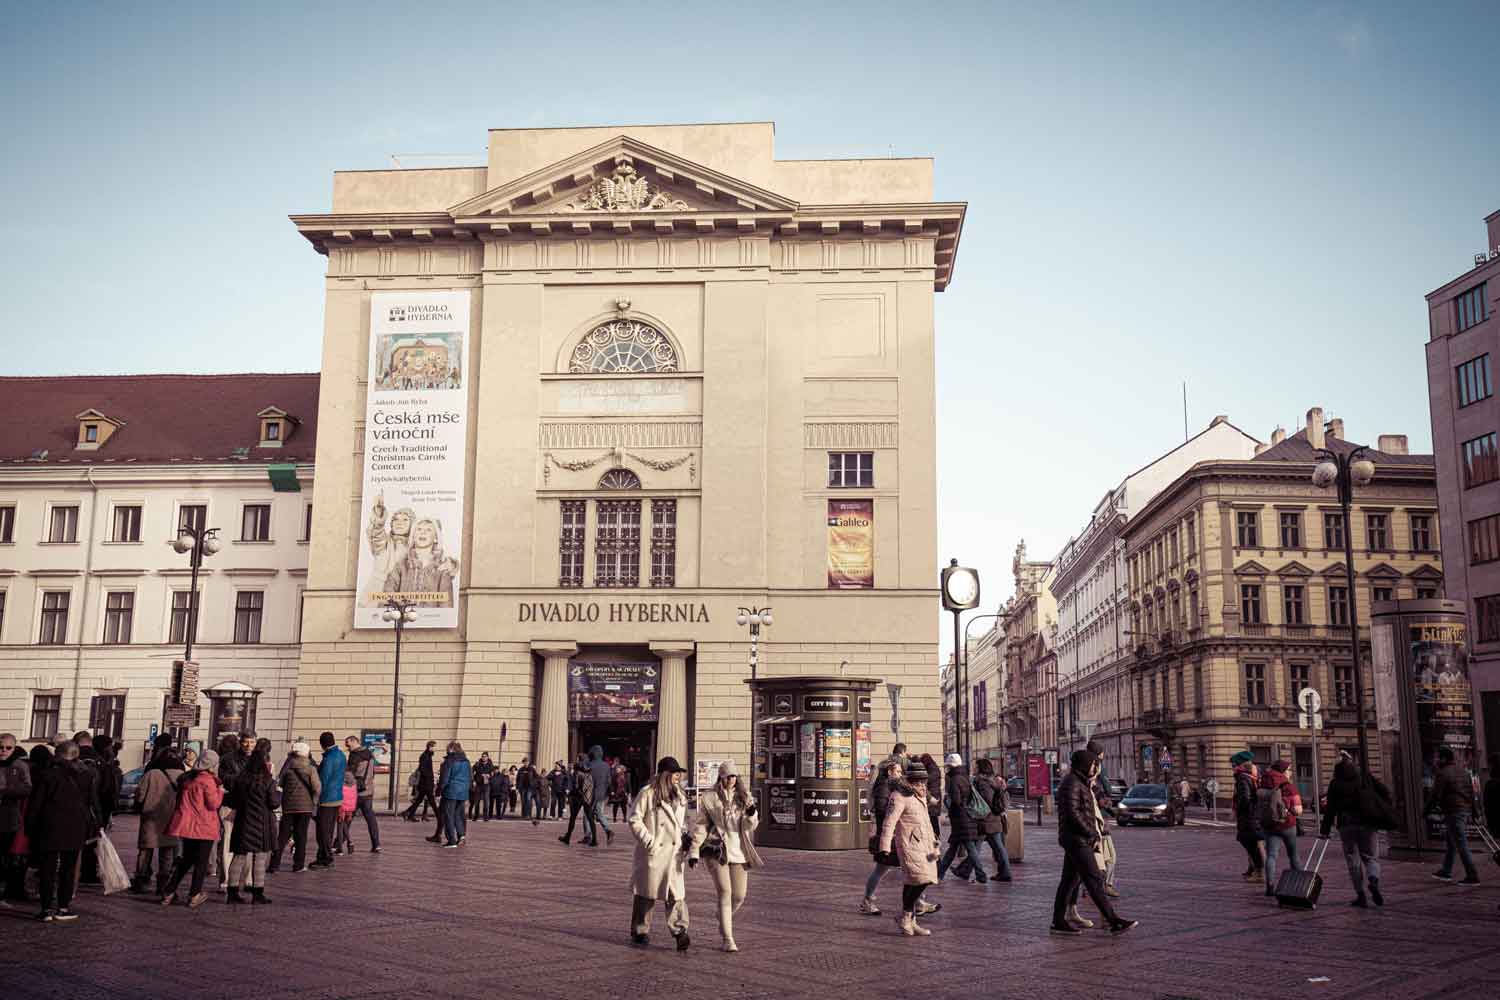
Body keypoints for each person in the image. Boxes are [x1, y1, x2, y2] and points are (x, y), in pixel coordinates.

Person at [1051, 749, 1136, 936]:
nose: (1094, 768)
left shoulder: (1080, 782)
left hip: (1076, 838)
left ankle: (1058, 922)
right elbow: (1074, 814)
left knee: (1069, 881)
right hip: (1077, 839)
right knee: (1094, 879)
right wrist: (1092, 834)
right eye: (1092, 764)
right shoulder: (1072, 783)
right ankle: (1113, 921)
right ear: (1084, 765)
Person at [687, 760, 762, 952]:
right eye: (728, 776)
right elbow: (701, 826)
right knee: (725, 892)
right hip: (717, 850)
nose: (731, 780)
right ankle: (728, 939)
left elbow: (749, 827)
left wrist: (751, 814)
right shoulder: (710, 797)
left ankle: (722, 916)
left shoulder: (744, 796)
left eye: (734, 776)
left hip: (739, 851)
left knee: (739, 896)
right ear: (721, 777)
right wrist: (694, 851)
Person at [25, 740, 96, 922]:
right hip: (75, 827)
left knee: (47, 869)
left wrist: (30, 827)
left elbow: (36, 804)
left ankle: (46, 909)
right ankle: (63, 907)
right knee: (68, 870)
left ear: (57, 755)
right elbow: (92, 802)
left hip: (49, 826)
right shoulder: (86, 775)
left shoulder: (47, 775)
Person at [628, 756, 691, 950]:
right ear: (665, 774)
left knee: (675, 895)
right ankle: (640, 930)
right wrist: (649, 841)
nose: (678, 776)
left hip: (674, 854)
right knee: (646, 894)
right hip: (654, 852)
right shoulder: (648, 793)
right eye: (675, 773)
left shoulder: (680, 796)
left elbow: (681, 822)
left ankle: (680, 932)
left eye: (679, 773)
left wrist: (685, 837)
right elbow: (634, 819)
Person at [876, 757, 940, 936]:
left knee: (918, 880)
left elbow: (925, 820)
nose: (922, 784)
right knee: (919, 879)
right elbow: (889, 822)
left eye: (924, 781)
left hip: (926, 844)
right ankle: (906, 917)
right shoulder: (899, 796)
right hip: (909, 844)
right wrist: (884, 847)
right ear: (911, 780)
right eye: (919, 781)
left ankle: (909, 919)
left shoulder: (920, 795)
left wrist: (935, 842)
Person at [1320, 756, 1391, 907]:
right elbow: (1385, 791)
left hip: (1346, 825)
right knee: (1371, 857)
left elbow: (1330, 808)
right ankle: (1373, 880)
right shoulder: (1364, 778)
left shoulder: (1335, 783)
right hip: (1367, 822)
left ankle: (1361, 895)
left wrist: (1325, 830)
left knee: (1353, 860)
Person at [161, 749, 224, 909]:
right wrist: (221, 791)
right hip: (204, 827)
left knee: (186, 860)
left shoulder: (188, 779)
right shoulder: (207, 780)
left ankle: (169, 891)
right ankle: (194, 894)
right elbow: (213, 804)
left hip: (188, 827)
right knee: (201, 862)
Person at [132, 737, 185, 894]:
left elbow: (140, 795)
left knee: (146, 850)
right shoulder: (181, 774)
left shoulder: (152, 772)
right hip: (172, 817)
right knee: (167, 851)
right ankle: (163, 884)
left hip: (151, 816)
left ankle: (141, 880)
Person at [225, 747, 277, 905]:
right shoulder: (268, 781)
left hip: (243, 823)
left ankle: (232, 892)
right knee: (260, 858)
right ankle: (257, 893)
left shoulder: (241, 780)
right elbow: (274, 803)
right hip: (262, 825)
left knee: (238, 857)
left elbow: (233, 801)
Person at [1425, 744, 1480, 885]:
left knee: (1461, 844)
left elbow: (1435, 796)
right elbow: (1471, 794)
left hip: (1453, 811)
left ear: (1444, 759)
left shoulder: (1442, 773)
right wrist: (1475, 812)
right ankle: (1446, 871)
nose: (1435, 760)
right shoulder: (1464, 772)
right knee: (1451, 843)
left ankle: (1472, 875)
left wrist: (1426, 811)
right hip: (1464, 810)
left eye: (1437, 757)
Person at [957, 757, 1012, 882]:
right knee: (986, 847)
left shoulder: (982, 782)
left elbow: (988, 801)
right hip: (991, 820)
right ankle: (965, 870)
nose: (974, 768)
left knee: (991, 848)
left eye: (976, 766)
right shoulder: (991, 780)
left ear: (981, 768)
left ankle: (1004, 873)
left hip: (987, 820)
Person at [269, 741, 320, 874]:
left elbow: (280, 784)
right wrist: (314, 801)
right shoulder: (311, 769)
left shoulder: (288, 768)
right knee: (301, 836)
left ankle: (274, 865)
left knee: (282, 836)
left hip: (289, 806)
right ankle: (298, 865)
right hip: (305, 807)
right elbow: (317, 788)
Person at [937, 753, 986, 884]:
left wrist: (947, 801)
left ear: (951, 766)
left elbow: (956, 801)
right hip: (967, 817)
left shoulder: (954, 779)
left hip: (961, 820)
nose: (947, 768)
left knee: (970, 849)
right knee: (953, 849)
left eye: (948, 766)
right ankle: (939, 874)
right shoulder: (965, 777)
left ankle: (981, 875)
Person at [1259, 759, 1304, 897]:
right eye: (1289, 770)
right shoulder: (1288, 786)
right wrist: (1291, 810)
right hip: (1287, 825)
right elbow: (1298, 810)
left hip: (1269, 825)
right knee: (1293, 854)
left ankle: (1270, 885)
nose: (1290, 772)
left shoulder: (1263, 783)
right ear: (1283, 771)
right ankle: (1299, 883)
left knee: (1271, 855)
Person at [0, 733, 31, 904]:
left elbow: (27, 788)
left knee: (5, 856)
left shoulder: (20, 766)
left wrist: (6, 792)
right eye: (1, 747)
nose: (3, 751)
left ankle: (2, 893)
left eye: (8, 748)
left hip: (9, 816)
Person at [214, 733, 244, 892]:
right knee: (241, 843)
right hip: (242, 805)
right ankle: (238, 879)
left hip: (226, 804)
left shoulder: (222, 762)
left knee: (226, 842)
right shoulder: (243, 761)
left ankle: (225, 880)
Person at [311, 732, 346, 870]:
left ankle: (326, 858)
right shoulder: (341, 755)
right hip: (337, 797)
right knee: (329, 830)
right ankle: (323, 856)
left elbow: (323, 780)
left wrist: (316, 797)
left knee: (322, 831)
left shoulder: (329, 758)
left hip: (326, 798)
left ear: (322, 744)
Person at [343, 735, 381, 852]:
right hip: (368, 790)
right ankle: (376, 844)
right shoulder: (369, 754)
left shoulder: (355, 755)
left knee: (347, 818)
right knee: (370, 819)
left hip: (356, 792)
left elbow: (349, 774)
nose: (347, 747)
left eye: (348, 744)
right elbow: (372, 773)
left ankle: (337, 844)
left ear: (354, 741)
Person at [1230, 751, 1264, 882]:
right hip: (1255, 815)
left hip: (1248, 816)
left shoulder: (1243, 778)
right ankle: (1254, 870)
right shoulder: (1254, 775)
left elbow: (1244, 798)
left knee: (1248, 841)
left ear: (1240, 765)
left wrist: (1238, 810)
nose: (1232, 768)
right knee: (1253, 843)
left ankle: (1259, 872)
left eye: (1234, 765)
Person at [436, 741, 471, 848]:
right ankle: (462, 836)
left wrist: (439, 790)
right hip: (463, 792)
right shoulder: (466, 761)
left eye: (448, 748)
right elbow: (470, 777)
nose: (446, 750)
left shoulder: (450, 761)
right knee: (458, 815)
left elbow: (445, 778)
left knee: (449, 815)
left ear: (452, 749)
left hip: (451, 791)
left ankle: (451, 840)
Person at [559, 755, 597, 846]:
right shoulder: (589, 769)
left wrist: (570, 794)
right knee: (590, 818)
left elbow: (576, 786)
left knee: (573, 818)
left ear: (579, 759)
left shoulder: (577, 770)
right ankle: (594, 839)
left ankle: (567, 838)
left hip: (578, 797)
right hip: (588, 796)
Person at [404, 741, 438, 822]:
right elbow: (423, 770)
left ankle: (409, 814)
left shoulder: (428, 756)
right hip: (426, 784)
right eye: (434, 747)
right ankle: (440, 817)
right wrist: (429, 779)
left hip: (426, 783)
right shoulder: (425, 756)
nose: (435, 749)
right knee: (432, 802)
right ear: (430, 747)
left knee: (419, 801)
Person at [588, 745, 615, 846]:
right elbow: (609, 781)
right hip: (601, 794)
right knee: (599, 813)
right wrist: (608, 792)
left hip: (591, 794)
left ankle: (589, 836)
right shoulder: (606, 766)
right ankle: (607, 831)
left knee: (588, 815)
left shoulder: (590, 764)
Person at [471, 752, 495, 821]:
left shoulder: (490, 765)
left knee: (486, 801)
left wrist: (489, 775)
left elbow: (493, 774)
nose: (484, 758)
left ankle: (485, 816)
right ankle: (476, 816)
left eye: (485, 756)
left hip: (486, 785)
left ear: (487, 757)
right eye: (483, 756)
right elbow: (472, 772)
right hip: (478, 784)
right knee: (477, 801)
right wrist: (473, 781)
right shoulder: (477, 764)